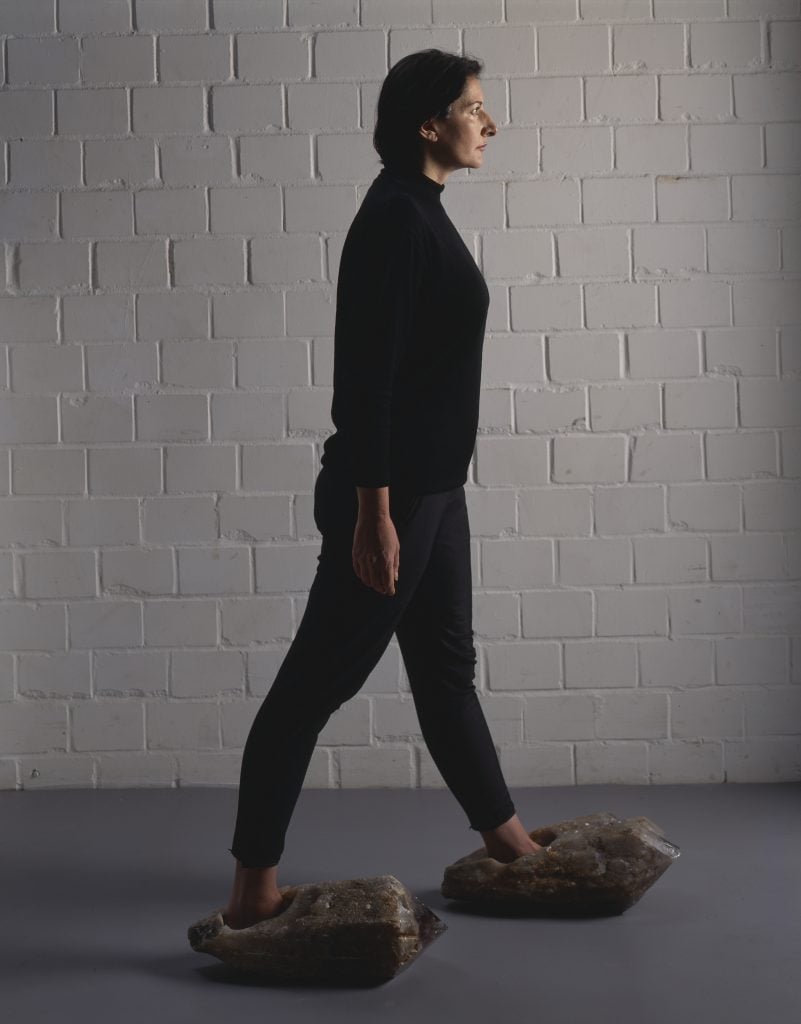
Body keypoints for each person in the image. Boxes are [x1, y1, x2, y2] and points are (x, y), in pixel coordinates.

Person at [222, 49, 543, 931]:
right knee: (311, 688)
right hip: (391, 501)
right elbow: (364, 383)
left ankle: (509, 842)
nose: (490, 121)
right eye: (474, 107)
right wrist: (375, 515)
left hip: (435, 493)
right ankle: (252, 891)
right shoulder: (395, 219)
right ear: (427, 124)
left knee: (445, 673)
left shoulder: (423, 211)